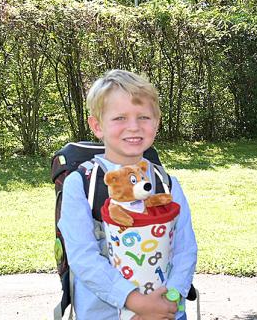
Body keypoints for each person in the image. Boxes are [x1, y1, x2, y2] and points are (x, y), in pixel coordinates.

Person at [57, 69, 197, 320]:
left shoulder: (166, 184)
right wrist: (136, 302)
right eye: (119, 118)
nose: (133, 127)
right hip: (104, 313)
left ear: (157, 122)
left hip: (167, 311)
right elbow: (82, 257)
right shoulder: (81, 184)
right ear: (97, 126)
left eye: (144, 117)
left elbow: (185, 249)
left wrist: (170, 299)